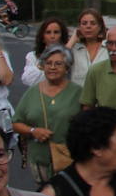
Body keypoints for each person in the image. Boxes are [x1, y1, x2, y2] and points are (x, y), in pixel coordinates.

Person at [10, 44, 81, 185]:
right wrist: (33, 131)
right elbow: (16, 123)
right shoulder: (32, 92)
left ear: (67, 67)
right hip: (39, 159)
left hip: (68, 158)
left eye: (58, 64)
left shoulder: (78, 92)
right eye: (48, 63)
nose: (52, 67)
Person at [20, 16, 69, 87]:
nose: (52, 36)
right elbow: (27, 80)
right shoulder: (32, 56)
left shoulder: (70, 56)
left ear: (62, 36)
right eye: (48, 32)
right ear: (43, 37)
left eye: (56, 32)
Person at [67, 9, 108, 86]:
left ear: (100, 27)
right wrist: (72, 40)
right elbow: (59, 61)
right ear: (79, 27)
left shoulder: (108, 48)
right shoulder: (73, 49)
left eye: (93, 23)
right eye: (84, 23)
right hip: (78, 95)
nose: (88, 26)